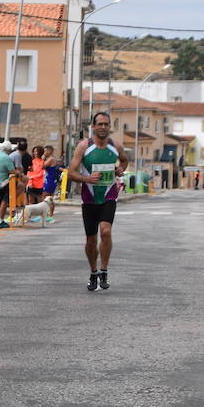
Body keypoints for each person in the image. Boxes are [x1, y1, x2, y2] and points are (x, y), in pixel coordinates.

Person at [67, 111, 128, 292]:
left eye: (106, 124)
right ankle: (93, 272)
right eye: (99, 124)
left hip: (109, 195)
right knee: (91, 240)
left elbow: (124, 161)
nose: (103, 127)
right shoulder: (84, 146)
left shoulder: (115, 145)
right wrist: (87, 179)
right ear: (93, 126)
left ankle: (104, 271)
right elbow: (70, 172)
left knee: (106, 231)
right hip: (89, 198)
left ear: (110, 127)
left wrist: (120, 170)